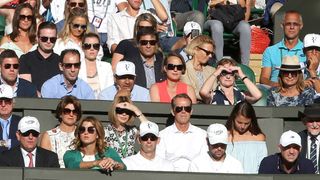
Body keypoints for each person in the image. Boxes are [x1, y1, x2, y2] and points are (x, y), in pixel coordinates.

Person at [156, 93, 208, 171]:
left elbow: (204, 162)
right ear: (173, 112)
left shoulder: (202, 135)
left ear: (191, 111)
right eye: (179, 109)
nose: (183, 111)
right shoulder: (162, 135)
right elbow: (160, 162)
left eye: (187, 109)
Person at [260, 10, 305, 88]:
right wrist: (280, 86)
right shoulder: (270, 51)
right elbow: (264, 79)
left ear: (301, 26)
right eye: (288, 24)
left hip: (301, 94)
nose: (291, 27)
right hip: (276, 93)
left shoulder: (307, 51)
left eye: (295, 24)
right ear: (282, 26)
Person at [40, 95, 82, 168]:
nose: (71, 114)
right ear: (60, 114)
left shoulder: (83, 134)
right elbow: (44, 163)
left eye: (75, 111)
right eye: (67, 111)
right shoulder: (49, 136)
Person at [225, 101, 267, 173]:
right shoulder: (225, 136)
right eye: (239, 122)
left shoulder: (259, 138)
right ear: (233, 118)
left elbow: (262, 164)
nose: (242, 126)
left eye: (246, 123)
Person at [204, 0, 251, 65]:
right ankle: (218, 64)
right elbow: (210, 4)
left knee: (245, 27)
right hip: (214, 19)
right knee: (217, 26)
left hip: (232, 21)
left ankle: (245, 66)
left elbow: (243, 8)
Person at [19, 21, 61, 92]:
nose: (48, 41)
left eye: (52, 39)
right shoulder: (25, 59)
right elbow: (26, 86)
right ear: (37, 38)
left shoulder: (61, 61)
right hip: (33, 100)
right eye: (44, 38)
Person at [104, 90, 148, 158]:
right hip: (113, 167)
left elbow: (149, 128)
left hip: (130, 167)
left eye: (127, 111)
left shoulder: (133, 130)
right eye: (120, 111)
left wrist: (136, 110)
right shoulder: (104, 131)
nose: (124, 114)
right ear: (114, 111)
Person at [181, 35, 217, 102]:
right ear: (195, 50)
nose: (210, 56)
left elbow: (215, 92)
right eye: (207, 52)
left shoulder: (212, 70)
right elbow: (189, 91)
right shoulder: (184, 69)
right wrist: (208, 95)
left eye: (211, 53)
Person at [78, 32, 114, 98]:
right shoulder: (77, 67)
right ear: (82, 47)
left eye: (95, 46)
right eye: (87, 46)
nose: (92, 49)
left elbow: (110, 90)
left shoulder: (106, 67)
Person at [298, 104, 320, 173]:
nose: (315, 125)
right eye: (311, 121)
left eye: (318, 120)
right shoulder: (298, 139)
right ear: (304, 122)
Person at [0, 84, 21, 152]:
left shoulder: (21, 122)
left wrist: (4, 143)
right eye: (0, 101)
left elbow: (26, 143)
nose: (3, 105)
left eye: (7, 101)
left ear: (13, 103)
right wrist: (12, 143)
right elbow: (18, 143)